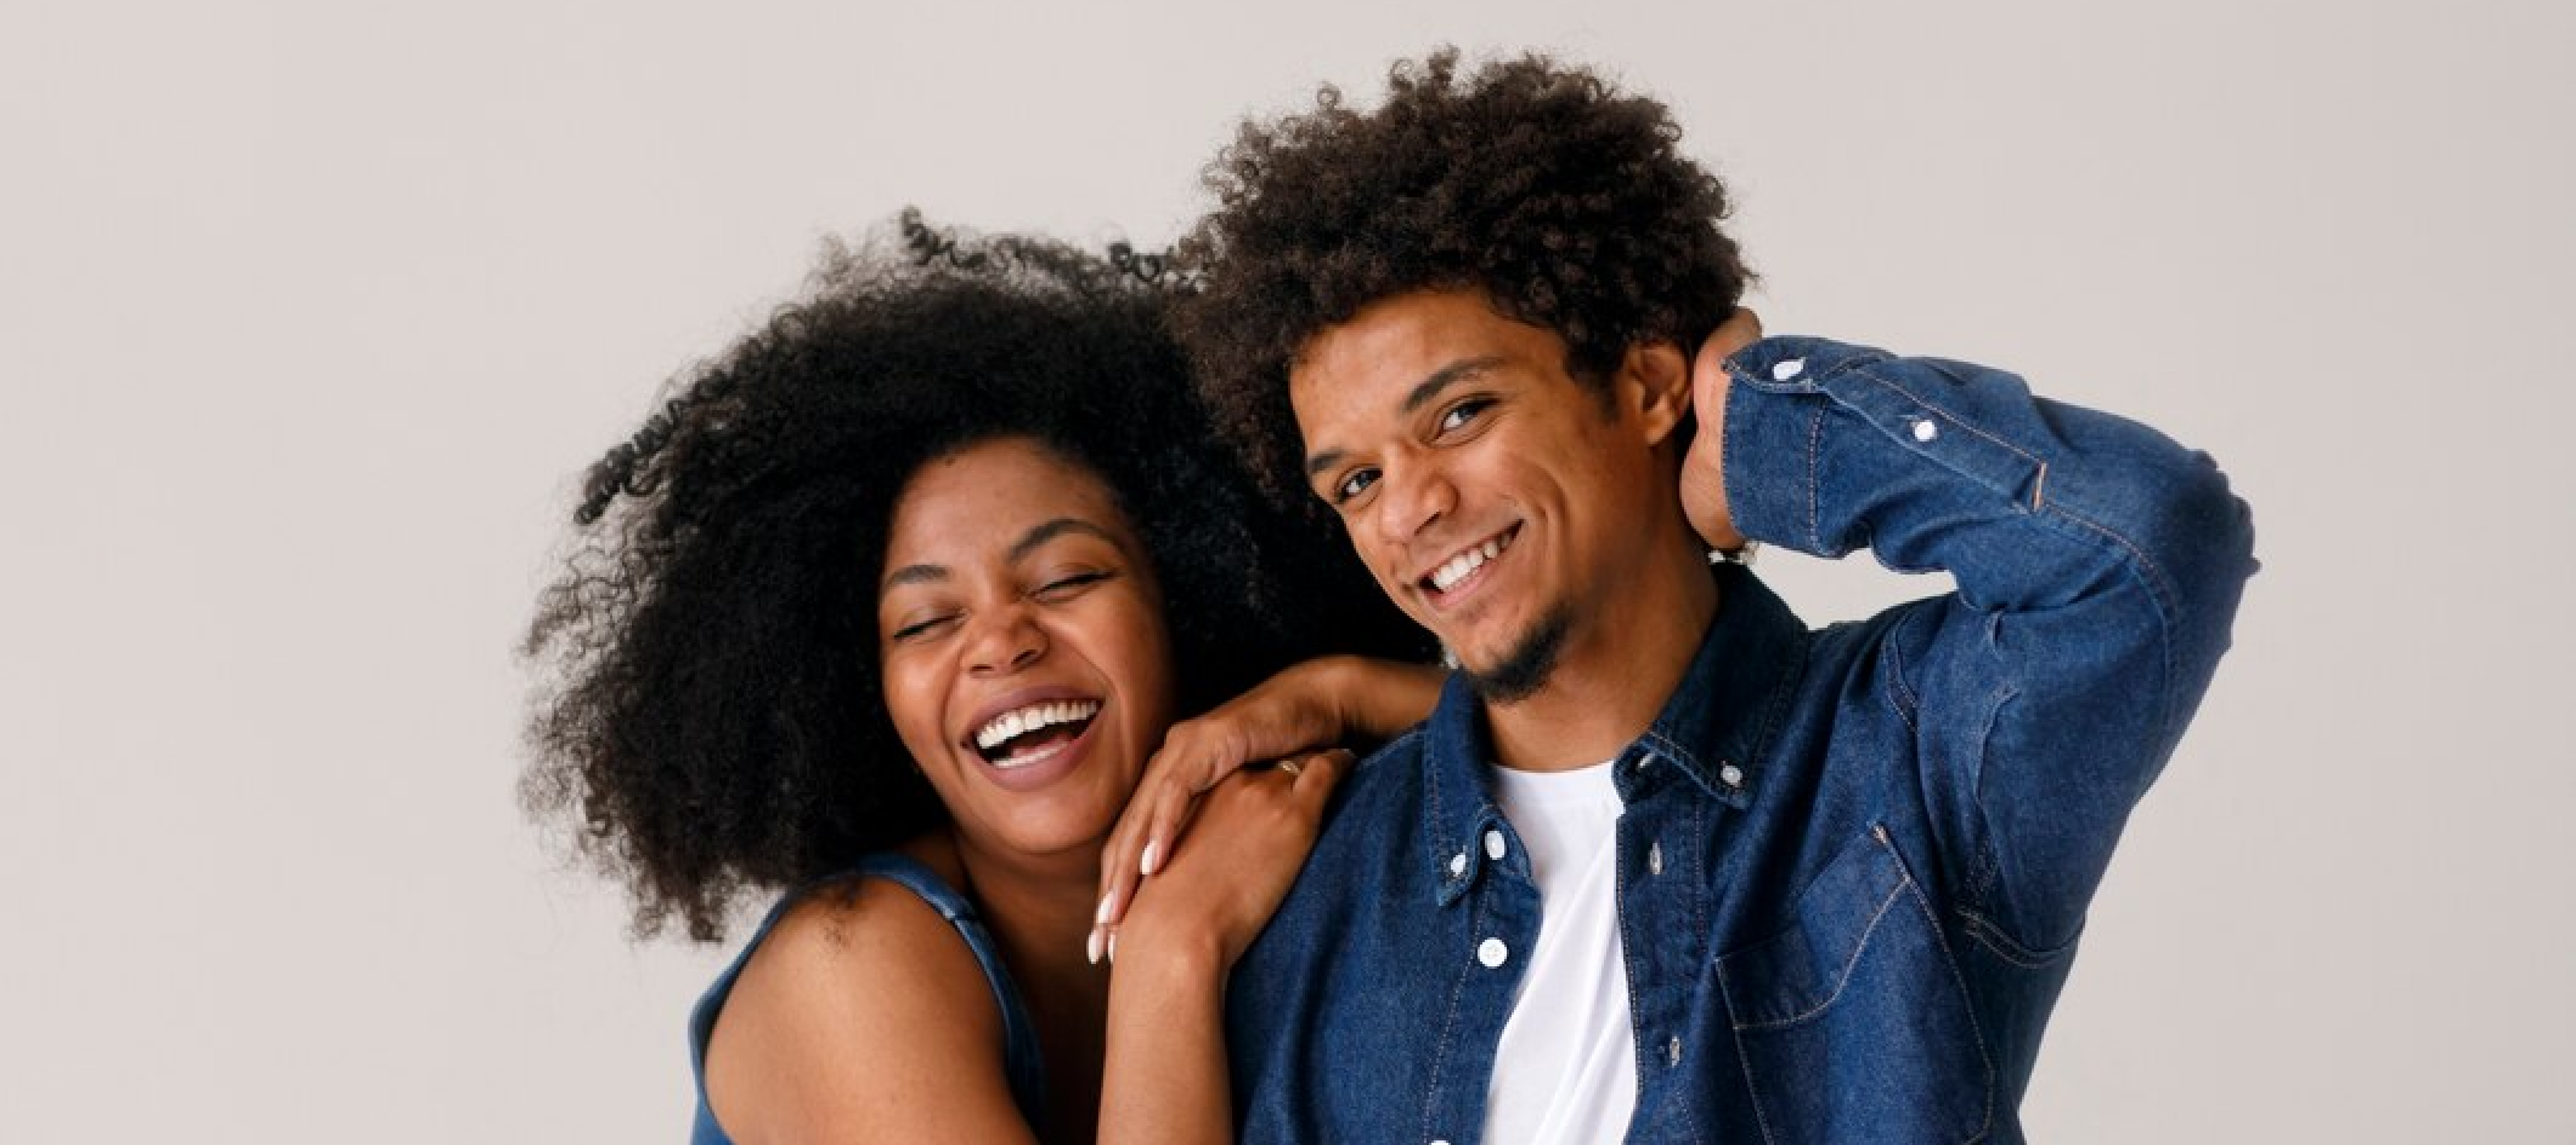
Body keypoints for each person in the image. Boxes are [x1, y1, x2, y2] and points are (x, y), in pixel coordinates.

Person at [1095, 50, 2257, 1143]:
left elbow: (2145, 546)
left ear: (1648, 387)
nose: (1407, 514)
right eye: (1356, 481)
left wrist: (1759, 440)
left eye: (1458, 416)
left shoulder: (1905, 763)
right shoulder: (1321, 878)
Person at [520, 214, 1438, 1144]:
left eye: (1067, 578)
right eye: (926, 621)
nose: (1002, 643)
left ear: (1191, 593)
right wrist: (1172, 952)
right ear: (861, 687)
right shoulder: (850, 964)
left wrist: (1338, 692)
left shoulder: (1268, 837)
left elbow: (1579, 740)